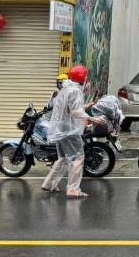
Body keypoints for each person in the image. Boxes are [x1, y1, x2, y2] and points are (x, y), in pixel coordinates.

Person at [42, 65, 104, 198]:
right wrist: (93, 119)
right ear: (81, 77)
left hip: (61, 129)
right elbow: (75, 112)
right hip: (70, 131)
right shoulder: (75, 90)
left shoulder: (65, 89)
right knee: (78, 157)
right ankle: (73, 189)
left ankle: (49, 183)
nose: (86, 78)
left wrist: (87, 105)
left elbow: (70, 109)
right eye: (85, 76)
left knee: (63, 157)